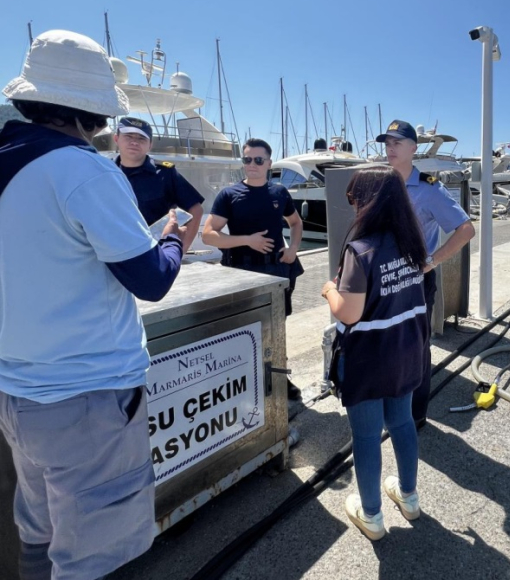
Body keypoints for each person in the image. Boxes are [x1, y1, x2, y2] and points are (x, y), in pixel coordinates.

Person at [0, 30, 186, 580]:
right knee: (96, 558)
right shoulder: (83, 170)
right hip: (87, 398)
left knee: (38, 536)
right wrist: (173, 240)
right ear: (95, 113)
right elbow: (150, 279)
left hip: (17, 394)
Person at [321, 165, 428, 540]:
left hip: (369, 357)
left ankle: (372, 516)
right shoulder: (412, 244)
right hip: (407, 349)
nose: (352, 205)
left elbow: (348, 312)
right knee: (402, 421)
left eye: (354, 198)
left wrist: (329, 290)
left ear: (368, 202)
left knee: (366, 436)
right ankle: (409, 498)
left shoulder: (361, 250)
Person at [376, 120, 475, 424]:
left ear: (413, 148)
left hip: (415, 281)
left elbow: (465, 229)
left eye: (397, 143)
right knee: (386, 344)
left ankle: (415, 416)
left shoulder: (430, 189)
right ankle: (391, 406)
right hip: (385, 279)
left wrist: (431, 261)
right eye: (387, 143)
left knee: (416, 349)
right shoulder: (381, 182)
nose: (390, 149)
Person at [203, 138, 304, 399]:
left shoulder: (279, 192)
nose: (252, 164)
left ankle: (280, 379)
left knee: (277, 327)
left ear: (269, 163)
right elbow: (209, 235)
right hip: (242, 273)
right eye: (247, 159)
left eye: (259, 160)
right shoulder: (229, 195)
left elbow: (295, 223)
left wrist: (293, 249)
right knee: (244, 328)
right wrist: (247, 240)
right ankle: (246, 380)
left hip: (277, 271)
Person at [114, 116, 204, 251]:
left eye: (141, 138)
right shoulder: (104, 173)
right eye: (128, 136)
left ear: (150, 145)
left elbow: (196, 210)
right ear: (116, 139)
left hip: (154, 254)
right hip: (113, 253)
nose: (134, 142)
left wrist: (181, 250)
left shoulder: (165, 173)